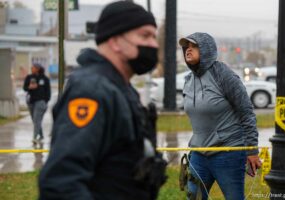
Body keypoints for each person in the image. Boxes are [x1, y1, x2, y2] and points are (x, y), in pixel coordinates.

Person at [38, 1, 167, 200]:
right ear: (115, 40)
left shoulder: (121, 88)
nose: (154, 44)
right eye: (145, 35)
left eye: (154, 36)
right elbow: (61, 183)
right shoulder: (92, 91)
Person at [179, 32, 261, 200]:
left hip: (228, 153)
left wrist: (252, 150)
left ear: (206, 50)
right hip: (198, 155)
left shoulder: (223, 74)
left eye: (194, 46)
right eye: (186, 47)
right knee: (193, 198)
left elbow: (246, 112)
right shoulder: (188, 80)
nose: (188, 50)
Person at [23, 63, 51, 143]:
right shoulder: (29, 77)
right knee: (35, 120)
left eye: (33, 67)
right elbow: (24, 88)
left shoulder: (45, 79)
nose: (31, 68)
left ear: (38, 68)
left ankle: (34, 138)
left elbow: (48, 91)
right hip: (31, 102)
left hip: (41, 102)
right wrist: (29, 87)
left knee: (36, 119)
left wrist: (46, 101)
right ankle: (41, 136)